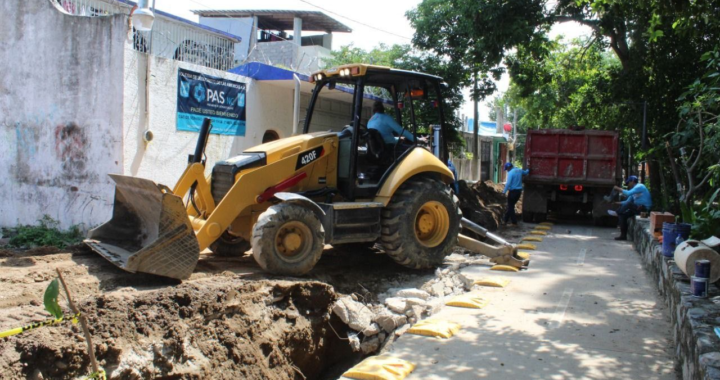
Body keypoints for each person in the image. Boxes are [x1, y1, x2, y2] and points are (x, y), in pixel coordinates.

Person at [608, 175, 652, 241]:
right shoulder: (634, 191)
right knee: (622, 215)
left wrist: (618, 188)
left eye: (629, 183)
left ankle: (617, 212)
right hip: (637, 208)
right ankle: (623, 236)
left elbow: (628, 194)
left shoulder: (640, 186)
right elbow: (627, 201)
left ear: (633, 181)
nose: (628, 184)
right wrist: (616, 202)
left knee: (626, 206)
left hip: (644, 209)